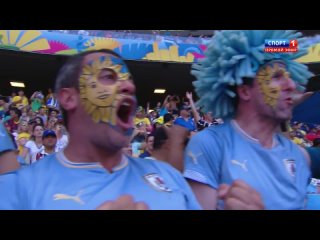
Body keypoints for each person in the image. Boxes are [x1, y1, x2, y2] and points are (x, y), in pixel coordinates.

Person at [0, 49, 201, 210]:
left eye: (129, 80)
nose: (129, 87)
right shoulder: (18, 189)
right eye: (108, 76)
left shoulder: (169, 177)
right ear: (69, 98)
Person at [183, 30, 314, 210]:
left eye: (289, 77)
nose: (291, 85)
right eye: (276, 76)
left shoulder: (298, 156)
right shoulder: (209, 145)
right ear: (244, 91)